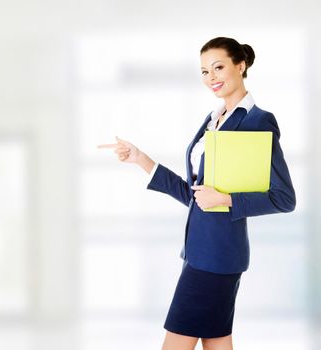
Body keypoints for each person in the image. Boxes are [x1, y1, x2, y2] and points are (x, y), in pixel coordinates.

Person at [97, 37, 296, 350]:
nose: (211, 77)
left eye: (218, 67)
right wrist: (140, 159)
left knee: (178, 344)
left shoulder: (258, 121)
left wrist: (226, 199)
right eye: (204, 71)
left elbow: (284, 198)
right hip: (200, 253)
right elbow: (196, 195)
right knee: (215, 341)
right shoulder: (213, 119)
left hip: (217, 257)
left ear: (240, 66)